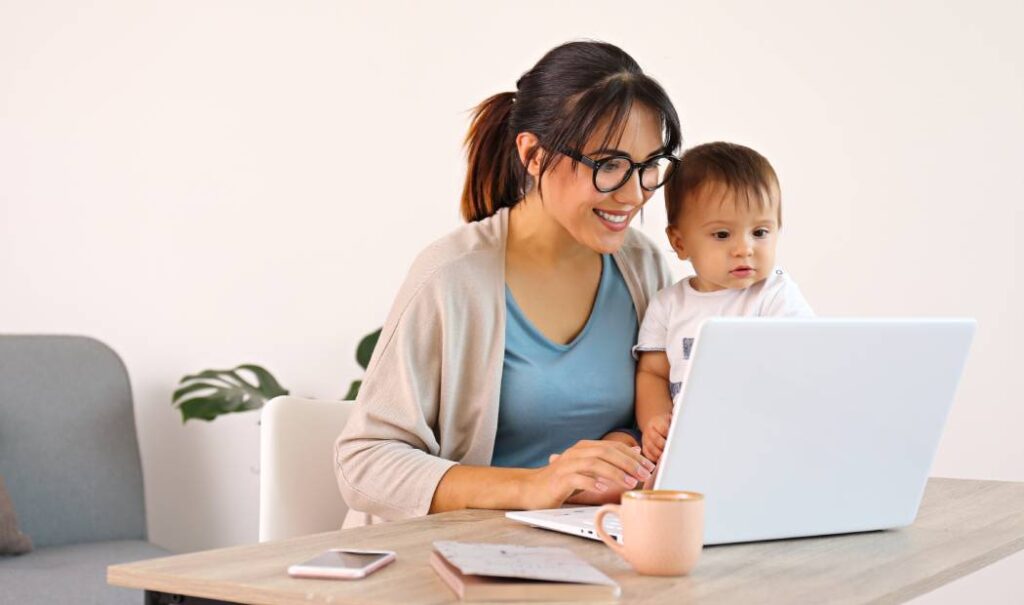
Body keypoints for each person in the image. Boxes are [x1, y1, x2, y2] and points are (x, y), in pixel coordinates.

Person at [334, 40, 682, 525]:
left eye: (649, 167)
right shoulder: (452, 275)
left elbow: (658, 404)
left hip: (589, 551)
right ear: (534, 155)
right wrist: (536, 485)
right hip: (447, 563)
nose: (633, 194)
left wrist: (621, 448)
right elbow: (365, 462)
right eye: (609, 166)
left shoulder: (642, 267)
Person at [634, 142, 814, 463]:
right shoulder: (667, 305)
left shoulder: (774, 296)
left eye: (760, 232)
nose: (744, 248)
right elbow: (653, 375)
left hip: (763, 444)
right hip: (692, 449)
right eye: (721, 235)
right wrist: (654, 422)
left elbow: (806, 361)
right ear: (680, 242)